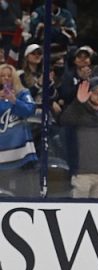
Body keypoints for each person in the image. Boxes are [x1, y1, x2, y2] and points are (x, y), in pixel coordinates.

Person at [60, 77, 98, 199]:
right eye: (95, 93)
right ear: (88, 94)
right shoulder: (78, 111)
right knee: (78, 211)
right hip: (82, 173)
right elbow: (64, 120)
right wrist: (78, 102)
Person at [0, 63, 37, 197]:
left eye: (9, 76)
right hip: (2, 153)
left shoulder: (23, 93)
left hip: (21, 153)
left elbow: (29, 110)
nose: (6, 78)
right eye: (2, 76)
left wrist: (14, 101)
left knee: (25, 193)